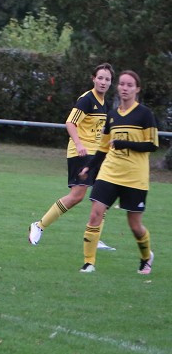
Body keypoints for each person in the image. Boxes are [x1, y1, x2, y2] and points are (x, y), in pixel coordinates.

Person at [78, 70, 159, 274]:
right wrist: (90, 166)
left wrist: (124, 143)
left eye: (129, 85)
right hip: (109, 173)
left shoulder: (144, 114)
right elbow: (104, 147)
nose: (124, 88)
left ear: (137, 89)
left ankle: (146, 256)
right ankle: (89, 262)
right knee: (95, 214)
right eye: (122, 84)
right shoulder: (112, 116)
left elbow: (152, 145)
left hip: (134, 176)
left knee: (135, 225)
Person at [28, 63, 115, 248]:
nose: (103, 82)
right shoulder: (87, 99)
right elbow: (70, 122)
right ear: (93, 79)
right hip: (81, 153)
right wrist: (79, 143)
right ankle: (39, 225)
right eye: (100, 78)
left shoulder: (105, 104)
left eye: (107, 79)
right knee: (77, 196)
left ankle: (94, 237)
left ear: (110, 83)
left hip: (97, 155)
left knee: (102, 197)